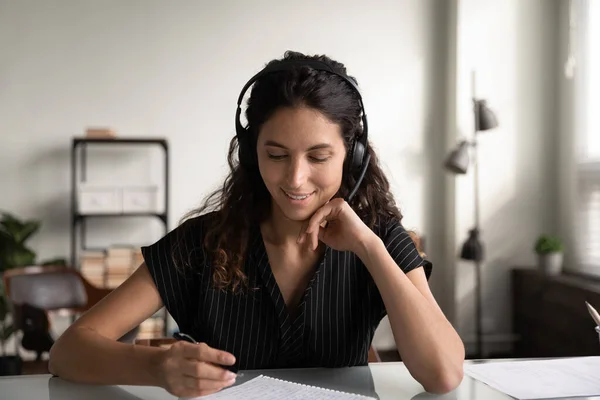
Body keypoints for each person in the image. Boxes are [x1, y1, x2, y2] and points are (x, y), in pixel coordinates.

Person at [49, 51, 465, 397]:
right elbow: (67, 352)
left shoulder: (379, 237)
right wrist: (157, 365)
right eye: (277, 155)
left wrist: (369, 247)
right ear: (251, 154)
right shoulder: (201, 244)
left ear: (352, 157)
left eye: (318, 157)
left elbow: (443, 374)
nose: (295, 179)